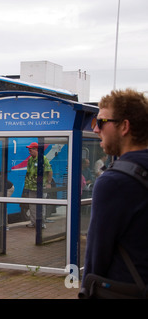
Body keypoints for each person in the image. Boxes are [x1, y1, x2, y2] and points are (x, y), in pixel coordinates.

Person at [81, 88, 148, 295]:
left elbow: (96, 256)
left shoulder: (115, 182)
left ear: (124, 126)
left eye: (101, 122)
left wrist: (87, 290)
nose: (95, 129)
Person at [23, 142, 53, 228]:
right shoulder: (30, 160)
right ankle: (33, 222)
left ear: (36, 150)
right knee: (32, 205)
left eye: (30, 150)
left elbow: (50, 171)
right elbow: (28, 173)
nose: (29, 152)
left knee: (41, 205)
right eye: (29, 150)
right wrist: (26, 186)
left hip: (40, 187)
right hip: (31, 187)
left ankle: (41, 223)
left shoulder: (43, 159)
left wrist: (48, 183)